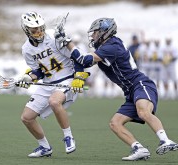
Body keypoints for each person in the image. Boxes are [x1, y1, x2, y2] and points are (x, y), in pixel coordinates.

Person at [54, 17, 178, 161]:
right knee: (115, 123)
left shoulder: (112, 46)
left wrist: (68, 43)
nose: (93, 35)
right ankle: (139, 148)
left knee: (143, 111)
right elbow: (83, 62)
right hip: (130, 92)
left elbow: (85, 59)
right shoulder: (104, 48)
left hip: (140, 84)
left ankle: (166, 140)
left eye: (95, 32)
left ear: (104, 32)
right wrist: (78, 78)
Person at [17, 11, 87, 158]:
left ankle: (68, 137)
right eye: (34, 30)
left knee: (54, 102)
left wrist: (78, 77)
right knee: (27, 117)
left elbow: (77, 58)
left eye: (41, 28)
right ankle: (44, 147)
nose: (39, 32)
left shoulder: (54, 36)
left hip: (66, 79)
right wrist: (29, 77)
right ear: (26, 30)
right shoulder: (26, 49)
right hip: (48, 83)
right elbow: (39, 70)